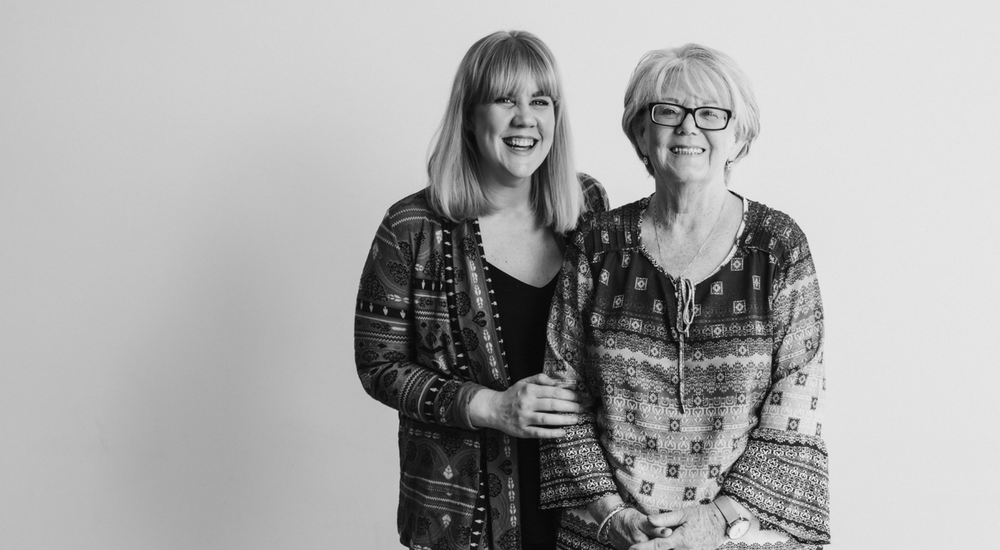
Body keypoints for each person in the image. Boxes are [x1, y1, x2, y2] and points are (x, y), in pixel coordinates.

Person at [539, 44, 829, 550]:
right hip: (613, 536)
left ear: (739, 136)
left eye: (711, 114)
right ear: (641, 133)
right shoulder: (597, 245)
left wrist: (712, 521)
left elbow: (797, 402)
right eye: (668, 111)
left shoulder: (778, 246)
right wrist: (615, 517)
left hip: (741, 534)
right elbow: (563, 394)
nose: (689, 127)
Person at [355, 30, 608, 550]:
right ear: (469, 116)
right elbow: (378, 366)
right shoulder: (411, 227)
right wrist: (490, 407)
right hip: (461, 514)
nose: (525, 118)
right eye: (503, 99)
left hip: (584, 506)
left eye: (540, 101)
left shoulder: (588, 207)